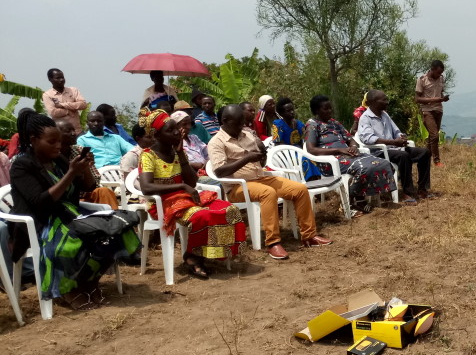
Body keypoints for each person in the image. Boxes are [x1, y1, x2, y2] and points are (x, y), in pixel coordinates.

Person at [9, 110, 140, 310]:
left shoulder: (59, 160)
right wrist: (70, 173)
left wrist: (84, 168)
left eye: (59, 142)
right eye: (51, 142)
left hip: (69, 214)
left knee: (115, 229)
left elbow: (88, 188)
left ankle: (89, 282)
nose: (58, 146)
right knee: (72, 241)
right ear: (34, 140)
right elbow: (41, 202)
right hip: (39, 222)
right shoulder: (22, 165)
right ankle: (65, 290)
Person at [206, 104, 331, 260]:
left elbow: (261, 162)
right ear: (225, 121)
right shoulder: (217, 142)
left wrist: (262, 154)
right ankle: (273, 243)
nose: (242, 125)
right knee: (268, 193)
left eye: (243, 121)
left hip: (261, 177)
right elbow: (219, 171)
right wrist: (247, 158)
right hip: (238, 187)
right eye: (238, 122)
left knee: (300, 189)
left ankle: (309, 236)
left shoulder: (247, 135)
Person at [137, 109, 247, 279]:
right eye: (170, 130)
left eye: (176, 128)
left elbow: (192, 182)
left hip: (185, 198)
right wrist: (180, 186)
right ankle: (192, 258)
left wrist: (181, 154)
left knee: (227, 208)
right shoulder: (148, 156)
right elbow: (146, 188)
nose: (176, 132)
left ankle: (208, 253)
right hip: (163, 204)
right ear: (157, 135)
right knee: (201, 215)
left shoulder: (177, 152)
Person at [304, 95, 397, 212]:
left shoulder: (335, 123)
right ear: (317, 110)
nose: (329, 111)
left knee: (382, 163)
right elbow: (311, 149)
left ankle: (375, 197)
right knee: (364, 167)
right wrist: (338, 150)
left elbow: (350, 139)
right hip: (330, 161)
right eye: (326, 109)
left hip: (348, 155)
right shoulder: (312, 125)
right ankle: (353, 199)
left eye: (330, 108)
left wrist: (353, 146)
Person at [357, 90, 432, 204]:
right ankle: (408, 193)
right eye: (384, 99)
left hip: (394, 148)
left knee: (425, 152)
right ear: (372, 102)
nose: (387, 102)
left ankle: (422, 189)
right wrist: (392, 142)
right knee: (403, 156)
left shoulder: (385, 114)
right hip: (378, 152)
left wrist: (401, 137)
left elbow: (396, 131)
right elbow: (368, 138)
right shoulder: (365, 118)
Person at [55, 118, 119, 209]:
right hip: (66, 199)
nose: (73, 133)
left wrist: (86, 167)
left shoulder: (79, 150)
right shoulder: (50, 156)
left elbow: (94, 184)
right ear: (56, 134)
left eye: (74, 130)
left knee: (104, 191)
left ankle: (115, 220)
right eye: (68, 131)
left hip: (85, 194)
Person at [271, 98, 321, 181]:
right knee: (305, 159)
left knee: (312, 157)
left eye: (292, 109)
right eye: (288, 111)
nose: (292, 112)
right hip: (286, 153)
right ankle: (309, 182)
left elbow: (305, 138)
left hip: (300, 151)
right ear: (281, 113)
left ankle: (316, 181)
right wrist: (295, 150)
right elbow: (278, 143)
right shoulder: (278, 125)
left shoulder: (298, 123)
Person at [415, 60, 449, 166]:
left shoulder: (441, 79)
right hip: (427, 111)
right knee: (434, 135)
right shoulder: (422, 80)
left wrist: (443, 99)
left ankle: (425, 158)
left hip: (438, 110)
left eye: (441, 73)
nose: (440, 75)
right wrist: (435, 99)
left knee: (432, 137)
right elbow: (417, 99)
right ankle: (436, 160)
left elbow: (440, 92)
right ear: (432, 69)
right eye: (438, 72)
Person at [42, 68, 88, 134]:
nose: (61, 80)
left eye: (62, 77)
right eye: (58, 78)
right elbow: (54, 112)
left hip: (77, 132)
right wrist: (69, 110)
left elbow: (83, 104)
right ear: (50, 79)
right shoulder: (47, 95)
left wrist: (62, 105)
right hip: (61, 134)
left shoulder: (73, 90)